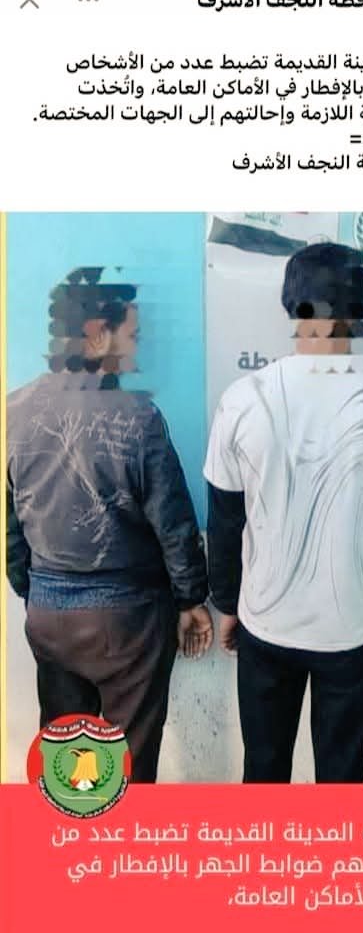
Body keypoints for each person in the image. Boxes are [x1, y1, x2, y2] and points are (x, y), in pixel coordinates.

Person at [204, 243, 363, 783]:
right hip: (353, 630)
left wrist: (228, 604)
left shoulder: (242, 399)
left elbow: (225, 519)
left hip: (266, 624)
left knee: (264, 771)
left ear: (291, 305)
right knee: (341, 778)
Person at [7, 268, 213, 782]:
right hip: (128, 624)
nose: (137, 351)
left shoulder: (12, 412)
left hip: (48, 614)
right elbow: (174, 525)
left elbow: (10, 526)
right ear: (98, 335)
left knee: (67, 763)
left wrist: (33, 590)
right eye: (132, 336)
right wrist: (191, 600)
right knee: (130, 767)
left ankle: (68, 832)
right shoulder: (139, 418)